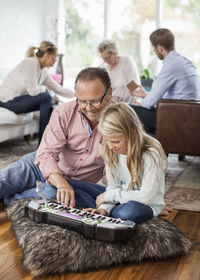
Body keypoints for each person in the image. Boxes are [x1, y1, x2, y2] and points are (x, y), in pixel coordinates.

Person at [0, 67, 112, 206]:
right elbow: (46, 153)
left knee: (52, 196)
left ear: (109, 93)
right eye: (82, 101)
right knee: (2, 181)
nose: (88, 108)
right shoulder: (63, 112)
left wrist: (63, 185)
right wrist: (60, 182)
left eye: (94, 101)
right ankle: (17, 194)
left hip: (75, 184)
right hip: (38, 166)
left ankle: (13, 198)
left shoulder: (120, 120)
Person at [82, 102, 168, 222]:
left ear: (132, 133)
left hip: (143, 204)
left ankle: (115, 210)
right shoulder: (111, 150)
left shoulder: (151, 153)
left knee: (129, 212)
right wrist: (105, 208)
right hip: (120, 197)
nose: (111, 146)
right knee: (68, 186)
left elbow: (146, 197)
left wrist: (109, 196)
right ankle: (110, 210)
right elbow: (113, 186)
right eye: (107, 140)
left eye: (116, 141)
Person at [0, 41, 75, 143]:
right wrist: (44, 89)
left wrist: (79, 94)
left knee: (51, 104)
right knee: (46, 97)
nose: (56, 60)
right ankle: (43, 144)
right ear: (47, 55)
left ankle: (52, 142)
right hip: (7, 101)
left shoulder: (43, 72)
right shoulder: (30, 63)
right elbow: (33, 91)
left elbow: (58, 89)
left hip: (18, 102)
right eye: (54, 56)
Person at [131, 28, 200, 134]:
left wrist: (142, 102)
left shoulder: (171, 65)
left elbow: (149, 104)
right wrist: (146, 95)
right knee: (139, 119)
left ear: (160, 48)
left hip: (174, 118)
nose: (154, 52)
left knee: (124, 110)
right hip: (188, 116)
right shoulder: (183, 61)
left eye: (154, 49)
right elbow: (176, 95)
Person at [98, 39, 140, 104]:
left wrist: (136, 100)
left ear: (115, 53)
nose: (105, 61)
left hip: (128, 103)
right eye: (103, 58)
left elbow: (134, 83)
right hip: (112, 103)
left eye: (107, 58)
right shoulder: (103, 68)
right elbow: (102, 90)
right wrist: (109, 97)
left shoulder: (126, 61)